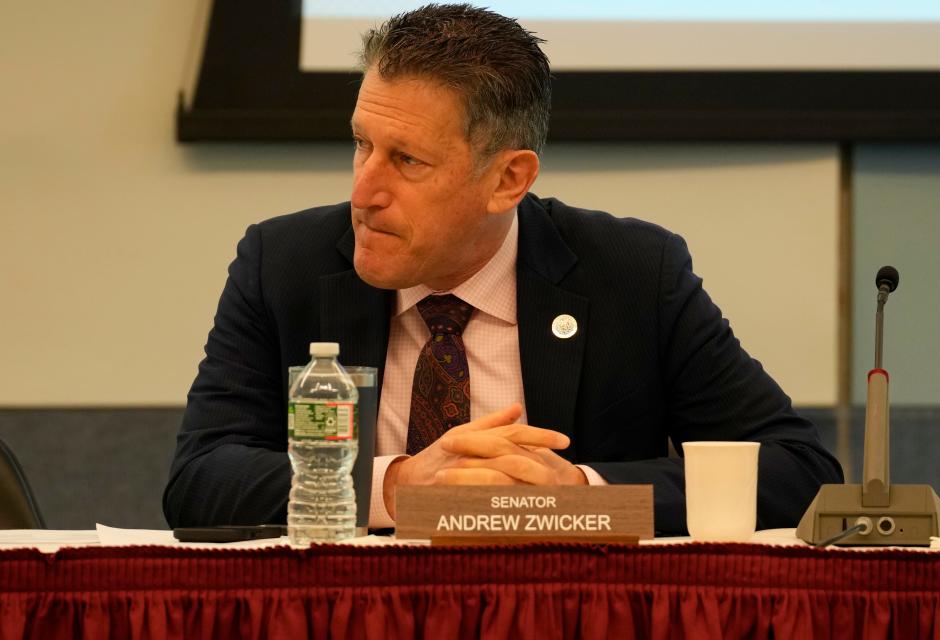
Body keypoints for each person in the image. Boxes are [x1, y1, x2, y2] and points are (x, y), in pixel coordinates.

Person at [163, 3, 842, 534]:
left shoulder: (632, 274)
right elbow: (199, 480)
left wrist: (578, 495)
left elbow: (800, 471)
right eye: (361, 145)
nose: (364, 193)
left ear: (508, 180)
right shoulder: (285, 265)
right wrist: (394, 488)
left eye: (407, 161)